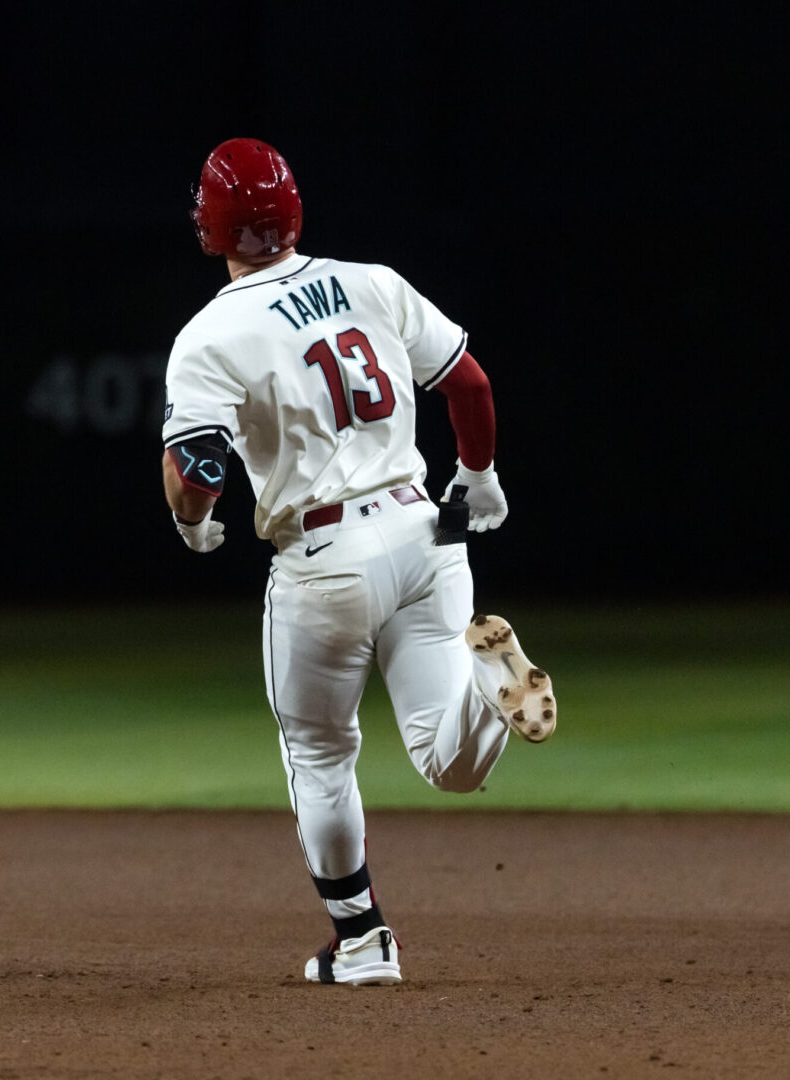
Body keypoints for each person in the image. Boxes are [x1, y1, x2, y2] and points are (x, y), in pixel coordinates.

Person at [161, 138, 556, 986]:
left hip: (324, 559)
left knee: (318, 755)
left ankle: (363, 942)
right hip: (424, 536)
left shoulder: (209, 334)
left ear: (209, 225)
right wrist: (479, 476)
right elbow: (470, 386)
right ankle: (491, 688)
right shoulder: (371, 282)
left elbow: (195, 470)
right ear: (294, 211)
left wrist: (192, 522)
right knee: (449, 765)